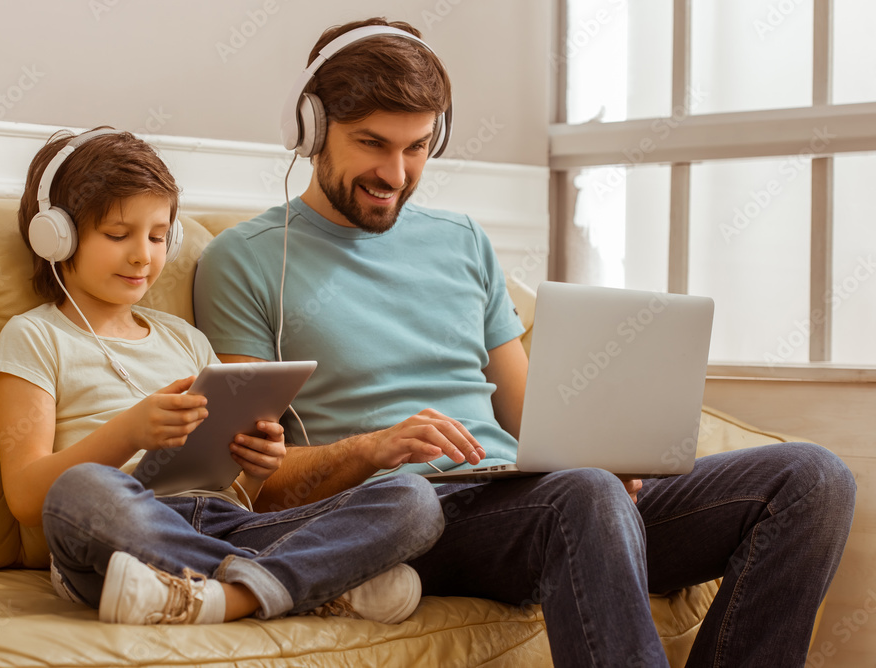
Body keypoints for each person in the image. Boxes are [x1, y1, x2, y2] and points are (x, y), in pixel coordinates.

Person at [193, 17, 858, 666]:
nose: (395, 173)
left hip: (539, 499)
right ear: (310, 128)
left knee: (811, 479)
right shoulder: (247, 261)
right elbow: (263, 487)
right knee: (584, 496)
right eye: (373, 143)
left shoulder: (463, 241)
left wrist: (605, 452)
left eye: (417, 147)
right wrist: (376, 447)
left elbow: (529, 415)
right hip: (411, 516)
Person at [0, 126, 444, 627]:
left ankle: (223, 596)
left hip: (225, 526)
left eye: (159, 236)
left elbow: (242, 495)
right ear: (57, 235)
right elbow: (29, 497)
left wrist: (257, 464)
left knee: (413, 500)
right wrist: (129, 432)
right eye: (118, 235)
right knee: (83, 491)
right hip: (122, 535)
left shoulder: (185, 339)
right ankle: (300, 584)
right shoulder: (34, 336)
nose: (143, 255)